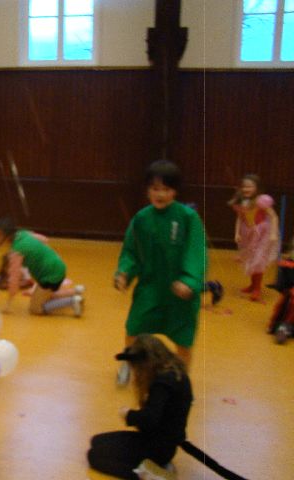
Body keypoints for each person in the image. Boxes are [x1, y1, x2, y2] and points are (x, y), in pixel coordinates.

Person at [114, 160, 206, 385]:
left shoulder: (188, 217)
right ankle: (128, 364)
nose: (160, 194)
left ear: (175, 191)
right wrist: (124, 272)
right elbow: (131, 251)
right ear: (147, 190)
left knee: (183, 338)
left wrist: (189, 280)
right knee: (134, 327)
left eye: (166, 189)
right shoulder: (141, 219)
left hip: (179, 293)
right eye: (155, 188)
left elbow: (196, 252)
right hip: (150, 287)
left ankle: (181, 378)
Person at [87, 334, 192, 480]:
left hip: (157, 448)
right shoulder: (175, 373)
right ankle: (154, 465)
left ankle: (145, 474)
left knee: (94, 456)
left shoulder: (162, 384)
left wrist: (128, 415)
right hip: (162, 443)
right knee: (96, 441)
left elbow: (149, 420)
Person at [0, 217, 84, 317]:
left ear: (5, 235)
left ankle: (72, 301)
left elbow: (14, 278)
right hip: (58, 265)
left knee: (35, 308)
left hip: (50, 275)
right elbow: (44, 239)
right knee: (45, 295)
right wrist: (41, 254)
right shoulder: (23, 233)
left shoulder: (16, 251)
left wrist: (8, 303)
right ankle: (76, 292)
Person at [228, 174, 279, 302]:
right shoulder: (241, 201)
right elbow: (240, 218)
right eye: (244, 186)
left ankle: (257, 288)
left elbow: (273, 217)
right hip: (248, 233)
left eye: (250, 186)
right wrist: (237, 233)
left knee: (258, 260)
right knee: (251, 259)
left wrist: (273, 232)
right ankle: (252, 285)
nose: (246, 189)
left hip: (262, 234)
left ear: (257, 188)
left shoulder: (261, 201)